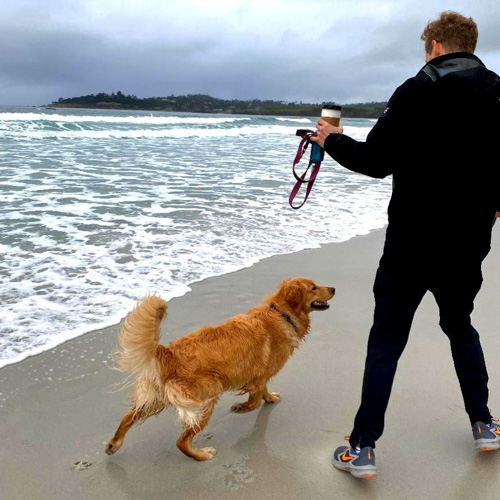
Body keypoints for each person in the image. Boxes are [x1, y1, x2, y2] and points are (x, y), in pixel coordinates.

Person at [311, 11, 500, 479]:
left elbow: (376, 162)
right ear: (469, 46)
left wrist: (332, 140)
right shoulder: (498, 92)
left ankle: (363, 449)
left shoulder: (415, 91)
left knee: (388, 338)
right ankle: (484, 425)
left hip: (411, 244)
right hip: (467, 244)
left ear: (435, 45)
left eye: (425, 47)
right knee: (460, 326)